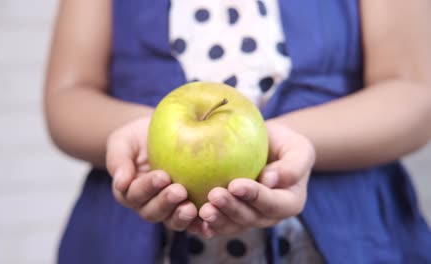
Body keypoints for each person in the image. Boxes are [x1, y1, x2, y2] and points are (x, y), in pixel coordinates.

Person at [44, 0, 431, 263]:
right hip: (130, 240)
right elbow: (67, 96)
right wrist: (139, 134)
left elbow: (414, 94)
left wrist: (278, 144)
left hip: (344, 237)